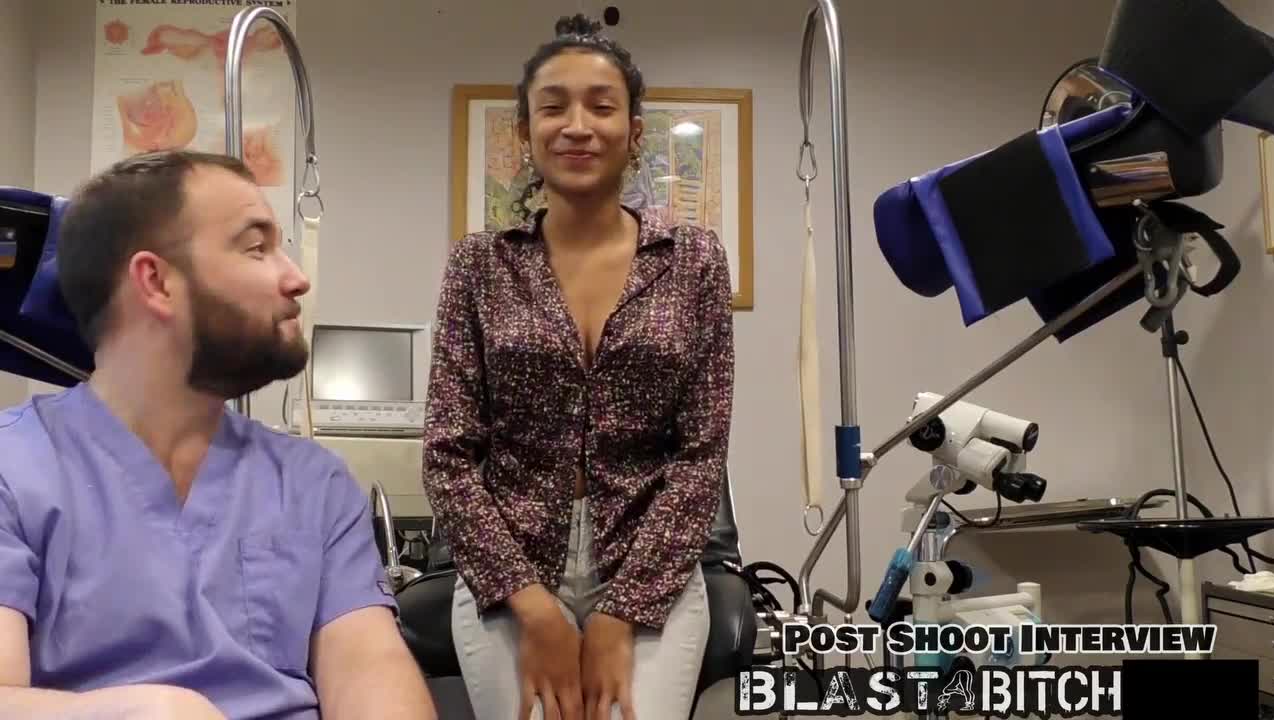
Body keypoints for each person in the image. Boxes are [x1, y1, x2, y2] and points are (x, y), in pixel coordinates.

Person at [0, 150, 437, 720]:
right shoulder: (15, 468)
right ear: (156, 281)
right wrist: (152, 713)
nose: (296, 278)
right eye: (256, 248)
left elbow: (371, 676)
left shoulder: (314, 483)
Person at [423, 13, 735, 720]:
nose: (577, 126)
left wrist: (622, 614)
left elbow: (700, 453)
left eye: (601, 106)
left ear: (634, 131)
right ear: (525, 131)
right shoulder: (479, 265)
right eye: (553, 107)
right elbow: (447, 455)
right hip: (511, 577)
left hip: (649, 571)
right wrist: (533, 610)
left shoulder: (694, 261)